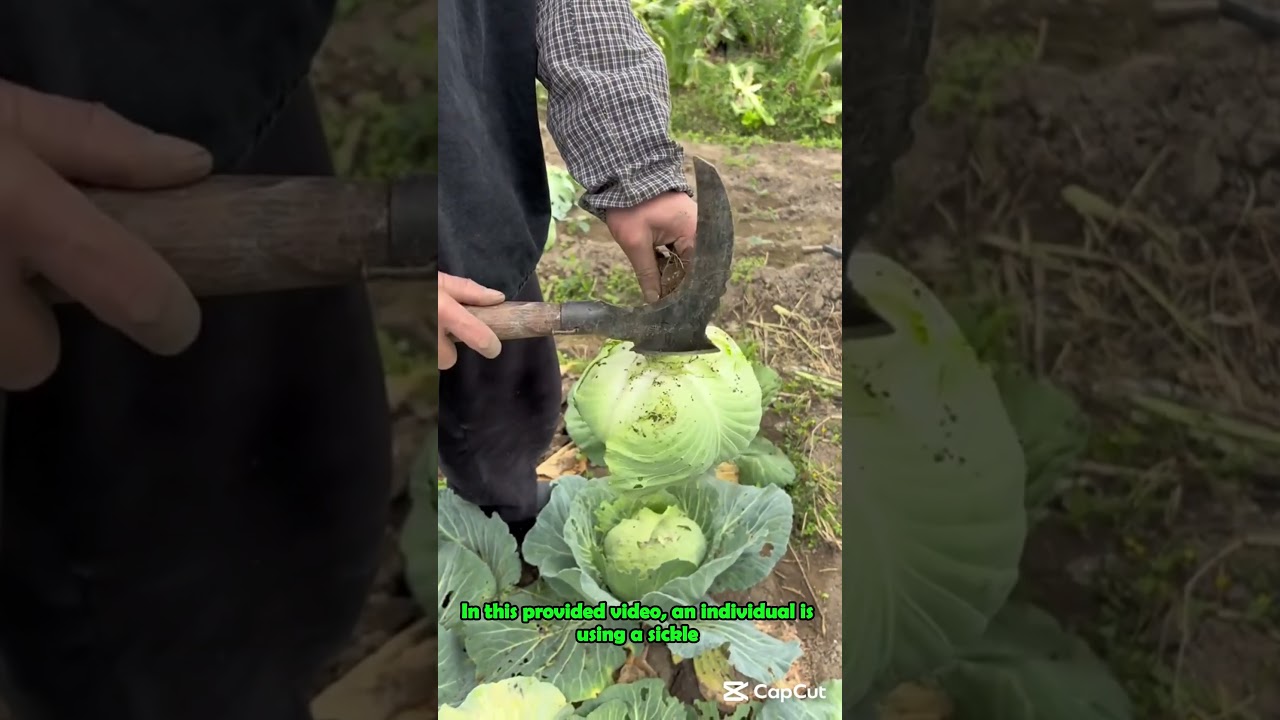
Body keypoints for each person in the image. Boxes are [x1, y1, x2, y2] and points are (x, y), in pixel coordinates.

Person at [0, 1, 692, 719]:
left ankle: (507, 522)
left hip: (210, 57)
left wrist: (633, 156)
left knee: (310, 472)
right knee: (158, 596)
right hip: (43, 139)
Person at [436, 0, 697, 539]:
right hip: (306, 282)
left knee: (505, 414)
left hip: (481, 233)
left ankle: (507, 515)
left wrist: (636, 169)